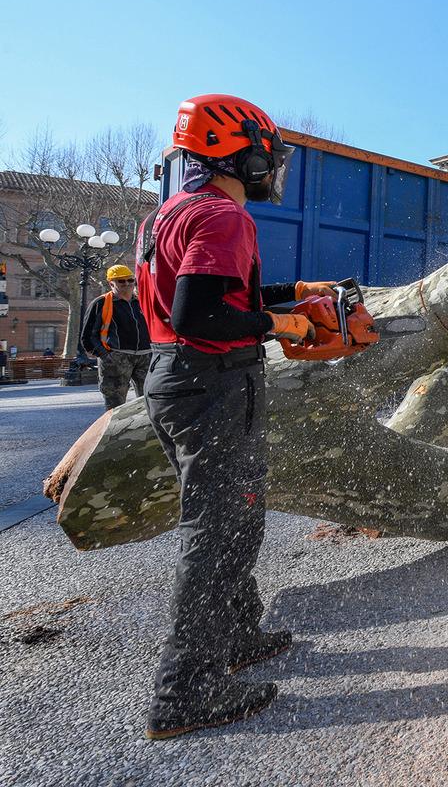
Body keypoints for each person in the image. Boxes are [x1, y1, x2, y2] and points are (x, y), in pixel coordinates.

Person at [136, 94, 334, 740]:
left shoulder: (170, 212)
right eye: (269, 156)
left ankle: (239, 633)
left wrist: (289, 293)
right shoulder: (225, 217)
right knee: (219, 529)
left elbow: (201, 297)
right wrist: (282, 322)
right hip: (213, 380)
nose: (275, 168)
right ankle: (185, 690)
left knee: (236, 514)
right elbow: (204, 315)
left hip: (177, 377)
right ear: (238, 152)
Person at [81, 264, 151, 408]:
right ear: (111, 283)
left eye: (130, 280)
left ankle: (147, 430)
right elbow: (87, 335)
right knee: (114, 404)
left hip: (146, 357)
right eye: (121, 281)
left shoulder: (142, 301)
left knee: (150, 401)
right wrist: (105, 355)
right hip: (116, 358)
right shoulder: (100, 303)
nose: (127, 284)